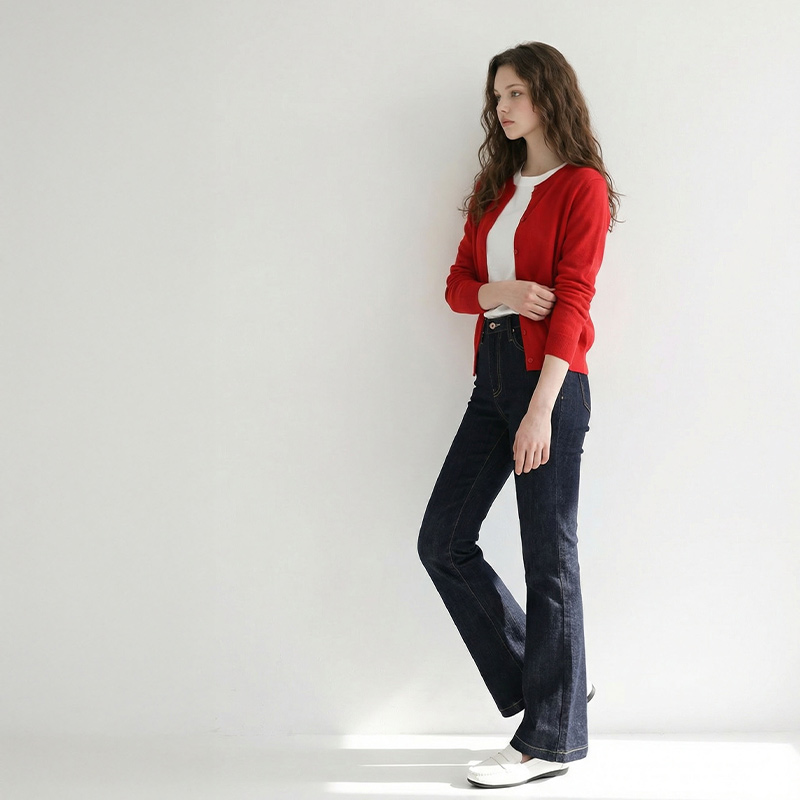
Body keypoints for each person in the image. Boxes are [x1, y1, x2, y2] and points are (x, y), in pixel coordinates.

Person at [417, 42, 621, 789]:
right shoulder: (493, 187)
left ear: (548, 97)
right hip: (493, 376)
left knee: (548, 558)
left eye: (516, 94)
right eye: (497, 95)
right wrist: (500, 292)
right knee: (442, 541)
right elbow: (457, 287)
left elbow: (575, 300)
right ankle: (556, 689)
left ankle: (549, 740)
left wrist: (542, 410)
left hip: (550, 383)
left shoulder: (582, 187)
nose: (502, 107)